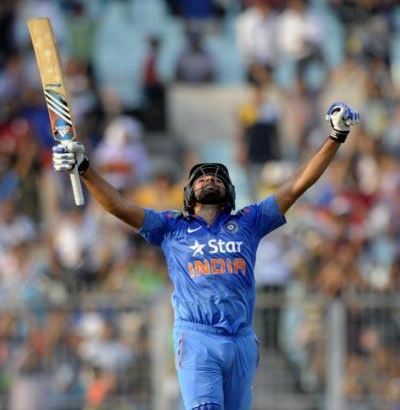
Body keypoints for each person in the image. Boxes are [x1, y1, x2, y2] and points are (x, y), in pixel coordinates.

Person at [52, 101, 359, 410]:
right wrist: (86, 169)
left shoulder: (249, 222)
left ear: (229, 191)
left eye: (216, 178)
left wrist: (335, 136)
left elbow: (294, 187)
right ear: (188, 194)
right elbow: (119, 205)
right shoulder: (172, 226)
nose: (209, 180)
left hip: (241, 338)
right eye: (201, 178)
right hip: (197, 337)